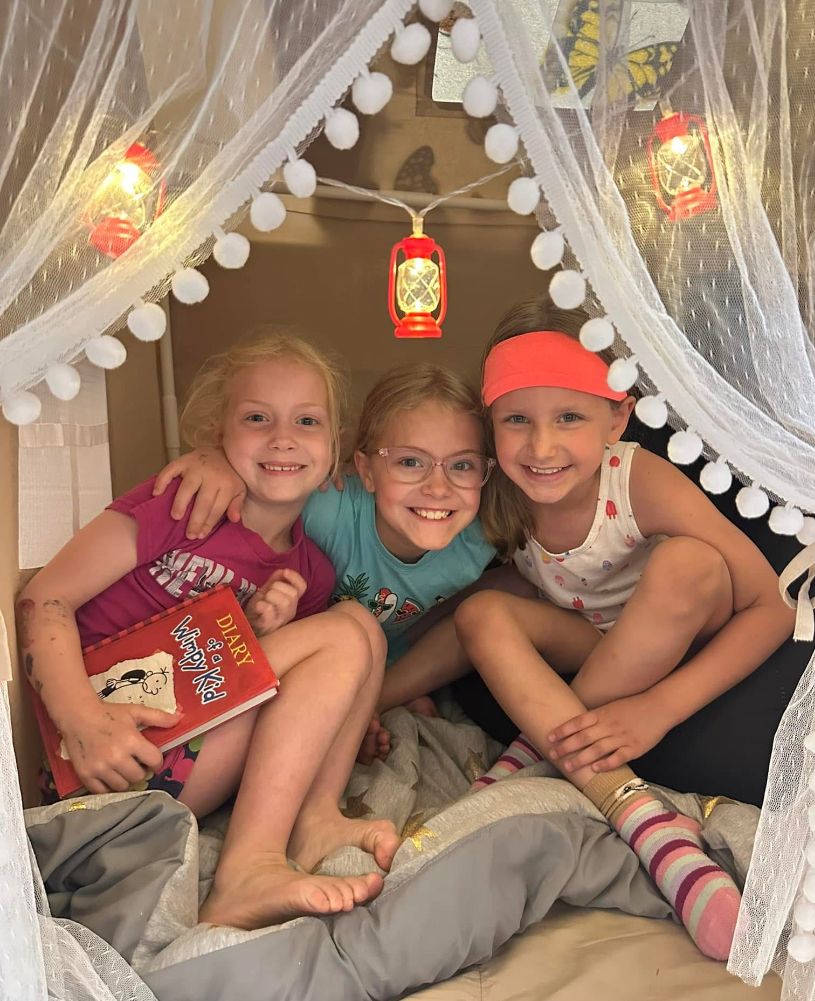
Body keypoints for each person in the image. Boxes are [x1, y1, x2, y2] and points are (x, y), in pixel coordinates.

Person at [16, 332, 401, 931]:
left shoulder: (309, 573)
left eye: (306, 420)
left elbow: (264, 694)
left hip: (189, 760)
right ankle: (248, 869)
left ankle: (316, 816)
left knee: (359, 632)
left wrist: (347, 714)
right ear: (216, 434)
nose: (282, 438)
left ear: (334, 444)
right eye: (256, 418)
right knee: (349, 629)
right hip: (102, 761)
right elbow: (45, 597)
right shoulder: (182, 504)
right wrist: (83, 722)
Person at [451, 296, 795, 961]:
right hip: (602, 643)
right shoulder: (501, 492)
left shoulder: (636, 477)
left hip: (688, 631)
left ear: (615, 418)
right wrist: (378, 690)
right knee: (478, 611)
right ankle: (641, 817)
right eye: (516, 419)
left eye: (568, 418)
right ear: (488, 424)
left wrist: (656, 710)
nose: (541, 446)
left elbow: (774, 604)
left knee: (686, 561)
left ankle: (530, 756)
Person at [152, 363, 513, 760]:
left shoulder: (480, 541)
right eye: (410, 461)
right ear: (366, 470)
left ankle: (378, 699)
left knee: (477, 617)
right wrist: (216, 460)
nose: (438, 487)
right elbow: (264, 483)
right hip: (294, 649)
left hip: (389, 659)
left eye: (462, 465)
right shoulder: (324, 509)